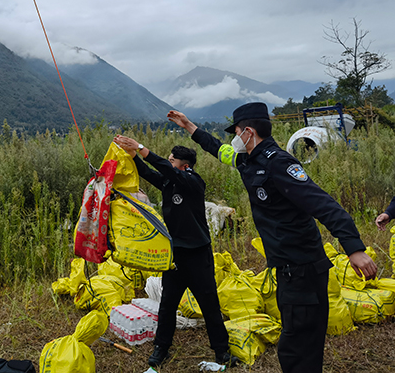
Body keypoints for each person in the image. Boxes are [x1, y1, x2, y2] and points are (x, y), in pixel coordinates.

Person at [167, 103, 377, 373]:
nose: (235, 137)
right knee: (298, 338)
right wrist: (189, 126)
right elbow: (218, 149)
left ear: (249, 132)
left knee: (296, 345)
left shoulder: (278, 162)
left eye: (238, 131)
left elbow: (323, 204)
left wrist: (354, 248)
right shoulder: (249, 160)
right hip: (287, 268)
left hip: (302, 267)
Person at [112, 135, 238, 369]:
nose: (168, 163)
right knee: (168, 304)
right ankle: (161, 349)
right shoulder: (170, 183)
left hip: (198, 255)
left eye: (172, 160)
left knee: (209, 303)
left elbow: (165, 170)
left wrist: (141, 148)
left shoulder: (194, 182)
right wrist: (131, 155)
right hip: (175, 256)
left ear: (185, 166)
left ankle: (223, 352)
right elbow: (150, 173)